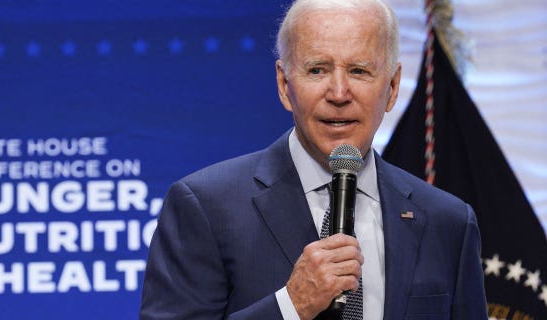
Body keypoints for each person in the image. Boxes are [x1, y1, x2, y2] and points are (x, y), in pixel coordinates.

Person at [140, 0, 487, 319]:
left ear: (392, 87)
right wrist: (291, 306)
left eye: (359, 71)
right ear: (283, 83)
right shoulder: (205, 208)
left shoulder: (449, 222)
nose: (338, 94)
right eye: (318, 70)